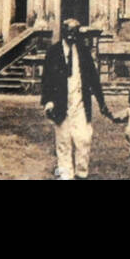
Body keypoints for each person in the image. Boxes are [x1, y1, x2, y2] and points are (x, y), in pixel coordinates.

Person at [40, 18, 112, 180]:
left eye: (76, 32)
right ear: (64, 32)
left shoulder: (84, 52)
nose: (73, 36)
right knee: (63, 142)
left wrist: (102, 103)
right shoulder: (53, 52)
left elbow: (93, 79)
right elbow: (47, 79)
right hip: (60, 103)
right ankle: (65, 175)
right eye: (70, 32)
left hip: (80, 102)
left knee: (84, 139)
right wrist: (48, 102)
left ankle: (81, 173)